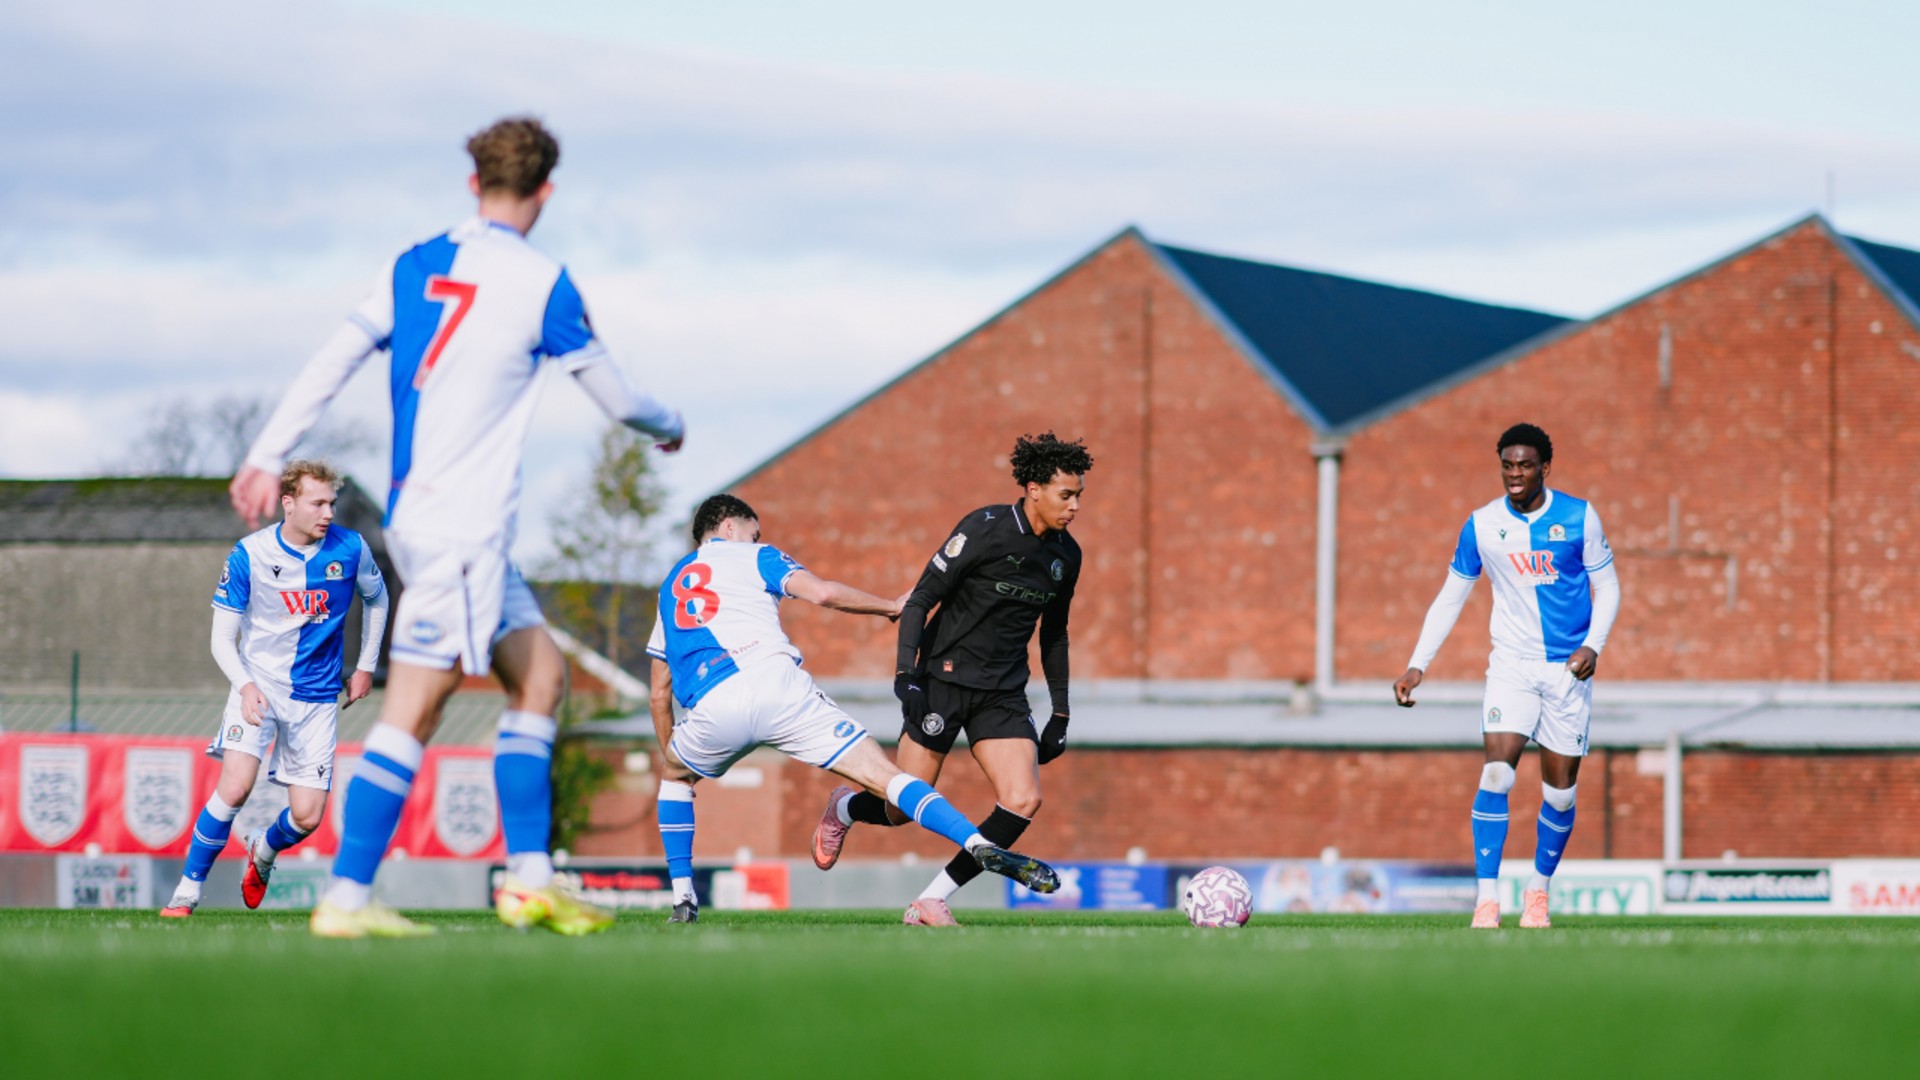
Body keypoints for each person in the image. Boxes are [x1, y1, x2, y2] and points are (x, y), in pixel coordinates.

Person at [230, 117, 685, 938]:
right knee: (418, 704)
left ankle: (532, 880)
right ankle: (346, 897)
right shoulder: (544, 283)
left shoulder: (414, 264)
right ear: (546, 192)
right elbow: (620, 400)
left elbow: (335, 358)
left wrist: (267, 453)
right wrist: (670, 422)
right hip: (461, 531)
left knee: (541, 677)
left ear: (474, 183)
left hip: (433, 521)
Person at [648, 495, 1060, 923]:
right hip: (779, 689)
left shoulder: (669, 590)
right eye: (755, 532)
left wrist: (675, 758)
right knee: (888, 778)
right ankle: (976, 844)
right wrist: (890, 606)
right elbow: (823, 593)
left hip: (714, 705)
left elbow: (659, 693)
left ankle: (683, 900)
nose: (758, 539)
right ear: (729, 527)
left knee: (675, 780)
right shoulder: (756, 556)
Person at [813, 432, 1089, 927]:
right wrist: (905, 676)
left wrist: (1061, 712)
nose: (1075, 507)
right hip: (942, 680)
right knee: (901, 809)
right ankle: (847, 809)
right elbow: (921, 599)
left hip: (1003, 693)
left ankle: (931, 900)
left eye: (1079, 496)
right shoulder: (984, 528)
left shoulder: (1067, 556)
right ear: (1034, 490)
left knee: (1023, 799)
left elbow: (1055, 635)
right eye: (1066, 495)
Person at [1392, 423, 1620, 930]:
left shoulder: (1579, 517)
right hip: (1511, 665)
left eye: (1525, 465)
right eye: (1507, 466)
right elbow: (1451, 596)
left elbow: (1608, 588)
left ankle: (1537, 892)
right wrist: (1417, 663)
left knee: (1559, 794)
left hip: (1566, 671)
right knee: (1497, 773)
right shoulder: (1481, 525)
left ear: (1545, 468)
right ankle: (1487, 900)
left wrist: (1593, 645)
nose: (1515, 474)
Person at [161, 461, 387, 917]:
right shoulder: (249, 554)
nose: (328, 513)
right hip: (258, 687)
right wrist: (245, 687)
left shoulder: (351, 547)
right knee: (235, 788)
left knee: (307, 817)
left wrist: (365, 666)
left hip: (316, 698)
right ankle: (186, 892)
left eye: (331, 503)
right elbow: (221, 639)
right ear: (288, 503)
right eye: (317, 503)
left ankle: (263, 849)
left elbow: (377, 598)